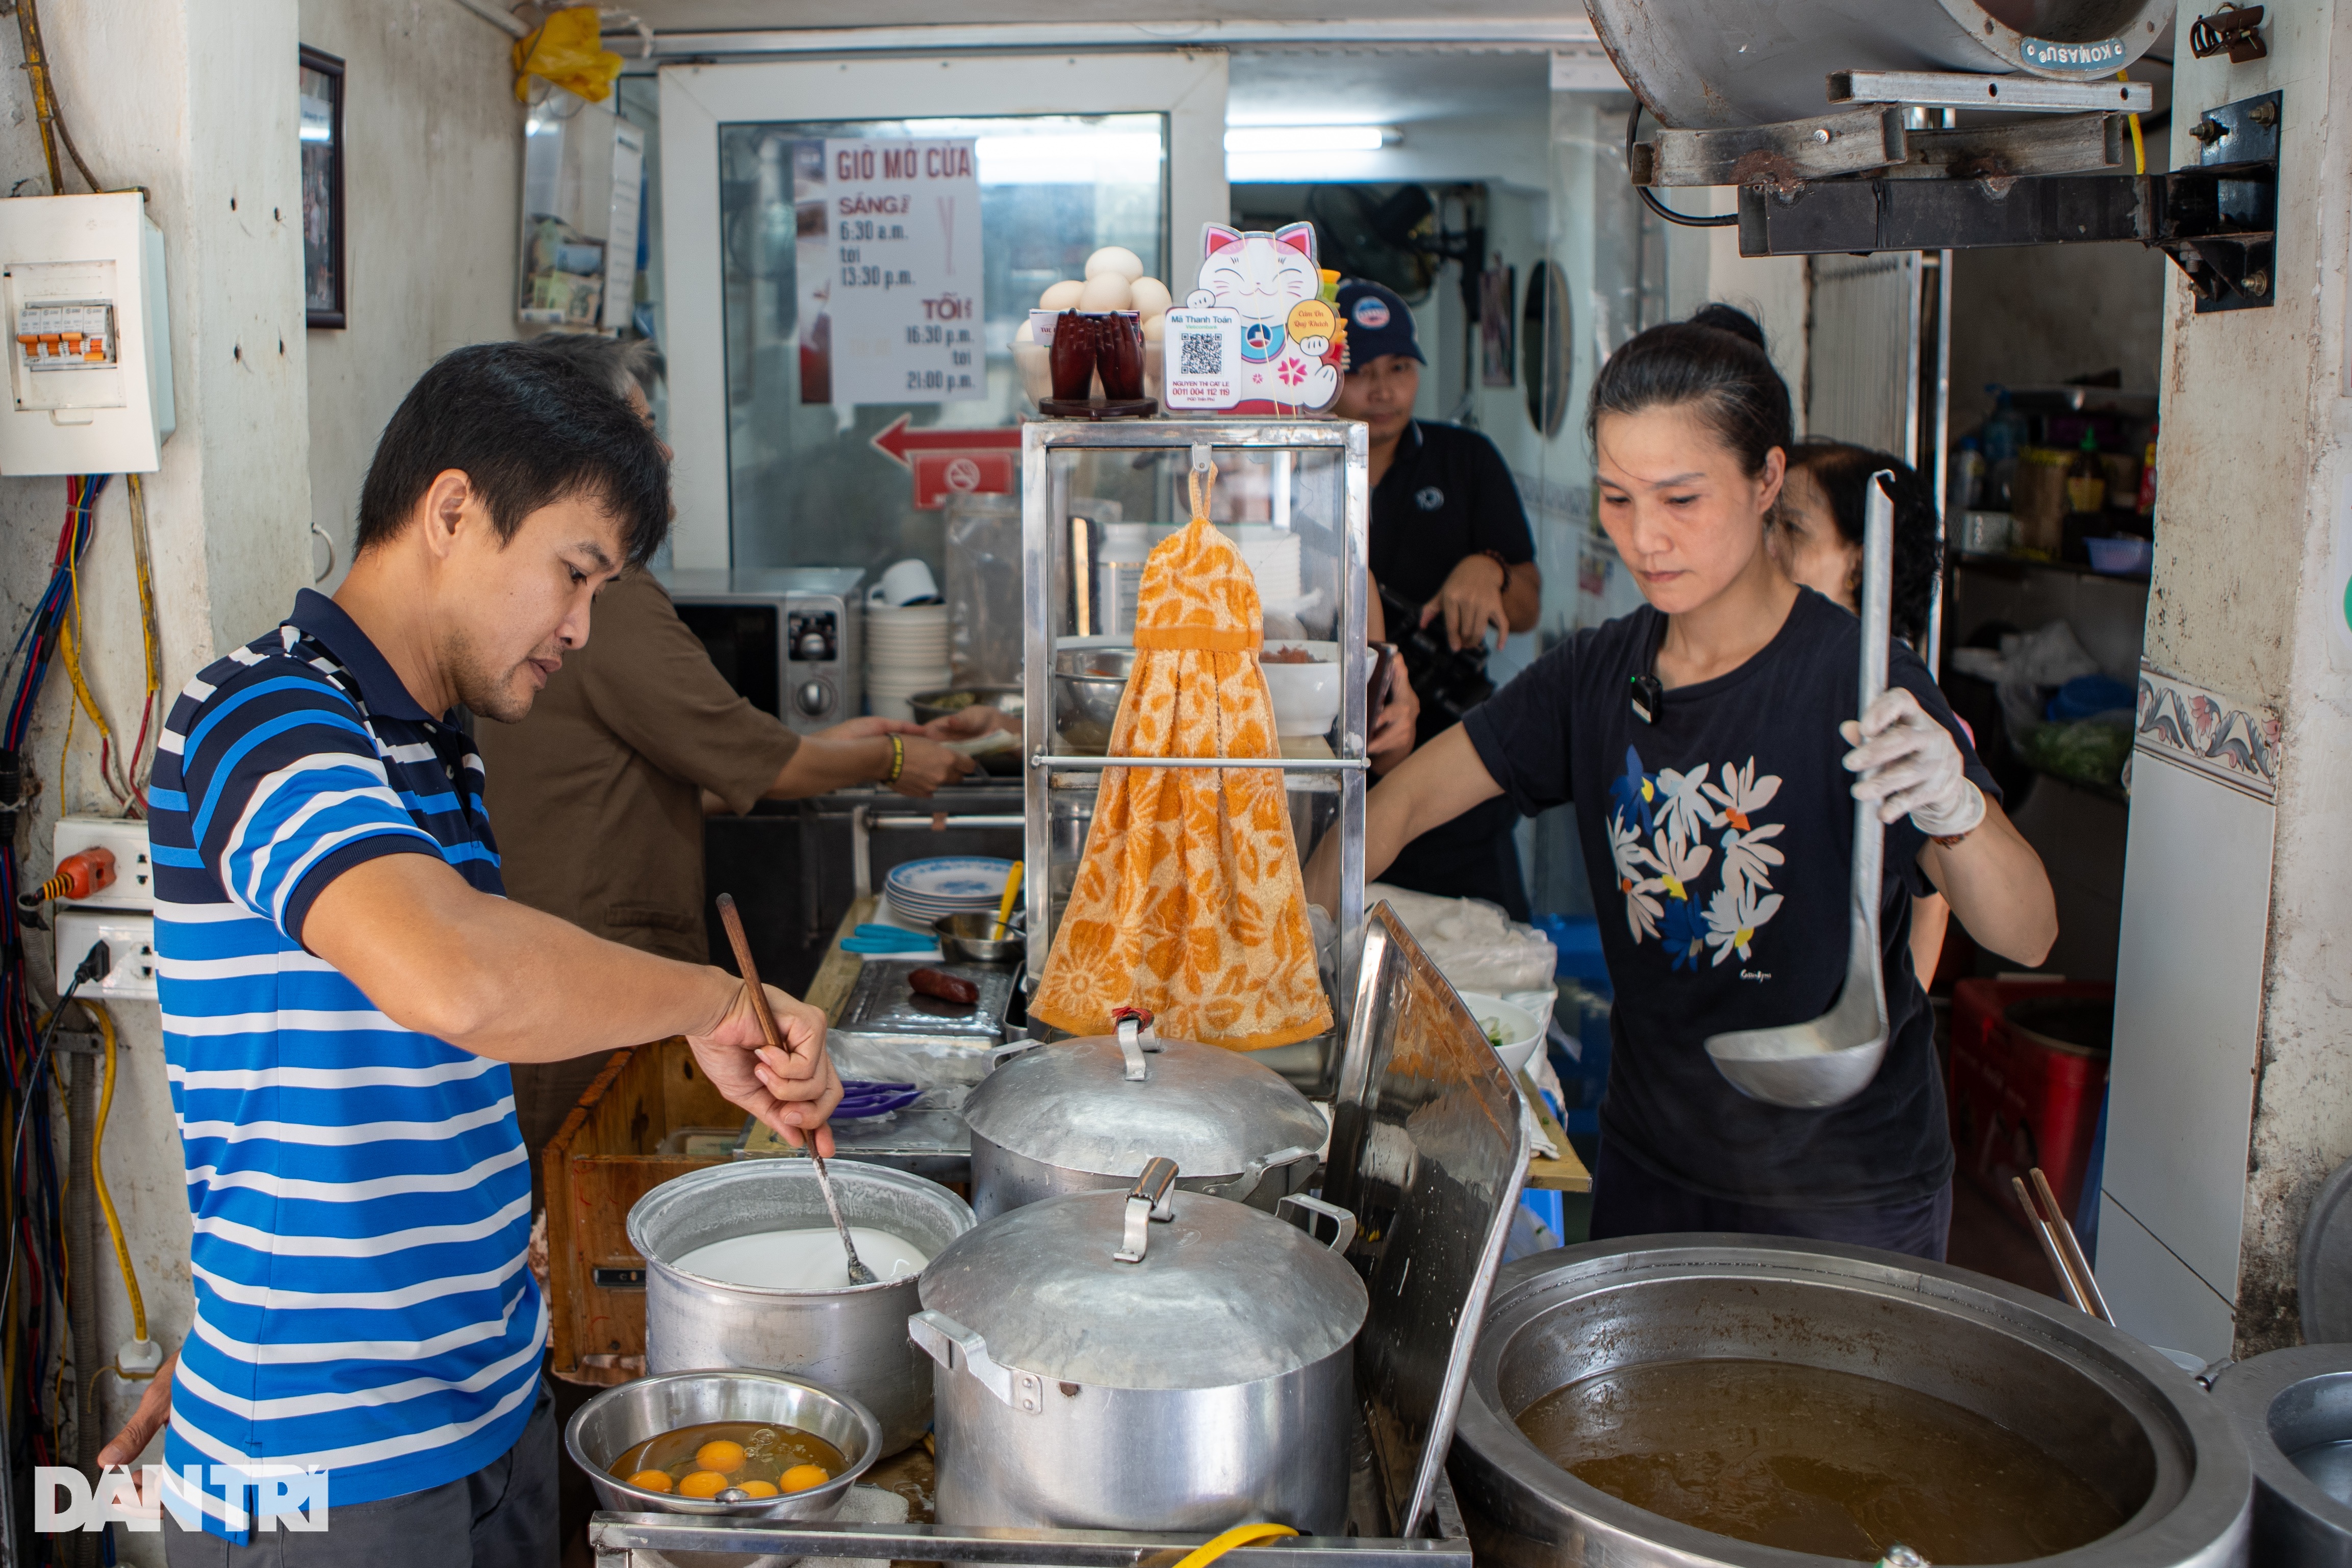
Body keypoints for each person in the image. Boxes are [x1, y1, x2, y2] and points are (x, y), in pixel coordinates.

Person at [102, 343, 844, 1562]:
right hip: (335, 1469)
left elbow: (351, 1089)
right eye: (572, 573)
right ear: (451, 511)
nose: (579, 626)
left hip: (487, 1414)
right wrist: (707, 1002)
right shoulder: (265, 714)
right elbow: (454, 976)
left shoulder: (434, 749)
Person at [1309, 305, 2056, 1260]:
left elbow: (2026, 934)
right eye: (1617, 499)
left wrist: (1957, 811)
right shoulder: (1594, 677)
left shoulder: (1859, 681)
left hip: (1848, 1196)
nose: (1644, 538)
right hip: (1654, 1171)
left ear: (1764, 481)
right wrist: (1297, 953)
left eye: (1680, 499)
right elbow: (1405, 802)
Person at [476, 335, 991, 1175]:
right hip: (586, 965)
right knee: (573, 1209)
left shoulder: (590, 591)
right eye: (643, 428)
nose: (666, 451)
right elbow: (755, 760)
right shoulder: (606, 599)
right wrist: (890, 762)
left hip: (604, 965)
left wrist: (848, 743)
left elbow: (679, 767)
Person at [1334, 279, 1542, 915]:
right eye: (1361, 371)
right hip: (1335, 766)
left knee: (1483, 956)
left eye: (1399, 367)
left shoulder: (1465, 460)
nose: (1383, 390)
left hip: (1454, 764)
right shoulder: (1295, 466)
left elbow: (1529, 604)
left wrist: (1491, 571)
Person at [1768, 442, 1956, 985]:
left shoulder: (1902, 712)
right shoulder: (1783, 672)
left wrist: (1880, 1037)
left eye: (1793, 530)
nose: (1767, 548)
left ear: (1861, 561)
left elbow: (1933, 904)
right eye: (1768, 524)